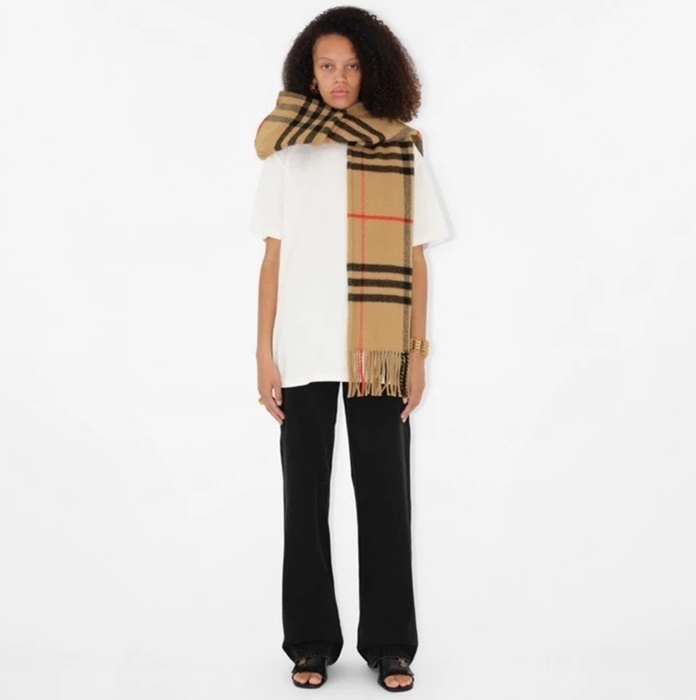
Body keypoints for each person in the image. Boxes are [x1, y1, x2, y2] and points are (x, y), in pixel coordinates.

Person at [250, 5, 450, 692]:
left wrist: (418, 352)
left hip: (380, 352)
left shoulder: (400, 147)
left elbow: (417, 261)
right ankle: (310, 642)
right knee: (303, 501)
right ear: (309, 73)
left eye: (353, 65)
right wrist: (262, 353)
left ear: (373, 68)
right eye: (327, 66)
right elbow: (272, 258)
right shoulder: (288, 150)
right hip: (303, 347)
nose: (340, 77)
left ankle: (391, 645)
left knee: (385, 498)